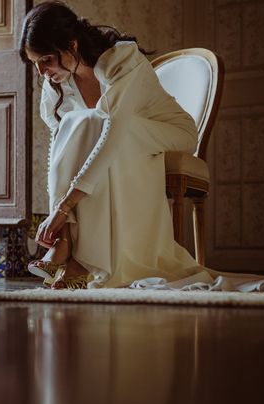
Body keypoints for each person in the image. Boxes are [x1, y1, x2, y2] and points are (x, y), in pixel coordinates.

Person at [20, 1, 203, 289]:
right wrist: (59, 212)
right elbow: (61, 148)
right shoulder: (57, 83)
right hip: (121, 133)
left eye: (46, 59)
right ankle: (68, 248)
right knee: (80, 125)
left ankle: (84, 261)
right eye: (35, 64)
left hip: (171, 133)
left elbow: (114, 134)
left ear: (72, 45)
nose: (42, 71)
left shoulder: (121, 60)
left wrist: (65, 206)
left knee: (99, 124)